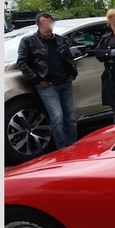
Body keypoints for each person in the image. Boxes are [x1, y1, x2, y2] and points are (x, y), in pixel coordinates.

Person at [16, 12, 78, 150]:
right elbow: (22, 63)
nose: (47, 26)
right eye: (44, 23)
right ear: (38, 25)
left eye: (49, 23)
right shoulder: (29, 41)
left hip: (65, 82)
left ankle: (73, 147)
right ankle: (62, 149)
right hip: (48, 85)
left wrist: (73, 73)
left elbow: (69, 58)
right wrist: (37, 79)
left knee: (71, 118)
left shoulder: (60, 40)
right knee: (57, 117)